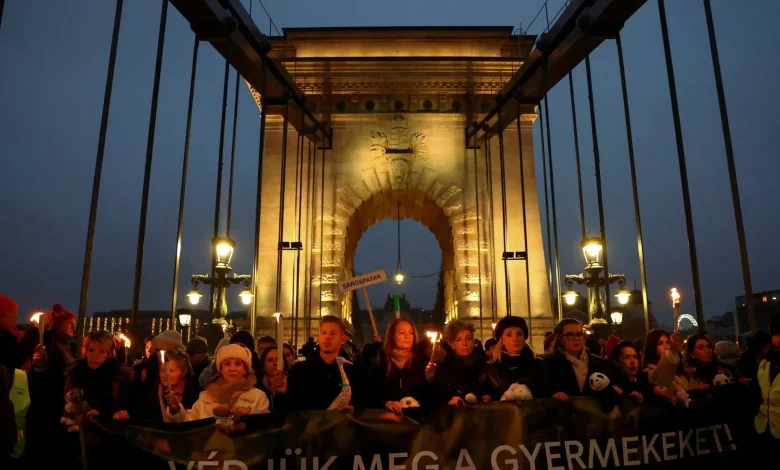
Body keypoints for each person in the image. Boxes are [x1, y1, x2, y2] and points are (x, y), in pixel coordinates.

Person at [166, 344, 269, 421]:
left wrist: (250, 412)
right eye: (227, 364)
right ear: (221, 369)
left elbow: (265, 426)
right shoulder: (207, 397)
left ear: (245, 369)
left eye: (238, 364)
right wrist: (176, 410)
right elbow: (190, 422)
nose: (232, 368)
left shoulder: (257, 397)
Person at [363, 318, 434, 413]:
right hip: (388, 422)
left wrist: (431, 380)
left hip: (417, 421)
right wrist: (385, 403)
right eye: (402, 333)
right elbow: (368, 395)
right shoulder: (380, 362)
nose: (407, 337)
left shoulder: (422, 362)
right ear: (392, 336)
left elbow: (431, 399)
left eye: (411, 333)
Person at [287, 316, 354, 410]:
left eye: (333, 333)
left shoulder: (353, 372)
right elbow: (291, 407)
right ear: (319, 338)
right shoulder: (300, 371)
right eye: (324, 333)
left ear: (342, 339)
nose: (327, 337)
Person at [114, 349, 200, 422]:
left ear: (183, 372)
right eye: (162, 370)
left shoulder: (196, 395)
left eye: (171, 371)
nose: (166, 375)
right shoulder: (151, 393)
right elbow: (140, 417)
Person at [540, 318, 613, 400]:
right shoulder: (548, 364)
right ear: (560, 338)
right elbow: (543, 392)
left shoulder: (599, 363)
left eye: (579, 334)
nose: (576, 338)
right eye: (570, 335)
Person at [431, 319, 489, 406]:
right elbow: (438, 397)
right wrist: (450, 401)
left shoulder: (486, 364)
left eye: (468, 339)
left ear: (473, 342)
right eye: (459, 340)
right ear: (452, 344)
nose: (464, 343)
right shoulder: (444, 368)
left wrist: (490, 397)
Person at [484, 316, 543, 401]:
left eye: (519, 334)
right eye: (509, 335)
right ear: (502, 340)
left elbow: (547, 394)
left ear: (524, 337)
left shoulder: (538, 365)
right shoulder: (490, 370)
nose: (515, 339)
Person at [0, 294, 42, 373]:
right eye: (12, 313)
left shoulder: (17, 335)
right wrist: (35, 329)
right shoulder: (3, 338)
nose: (16, 316)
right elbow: (15, 359)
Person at [257, 346, 289, 412]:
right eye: (270, 360)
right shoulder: (257, 385)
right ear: (263, 365)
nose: (275, 363)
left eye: (278, 360)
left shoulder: (294, 382)